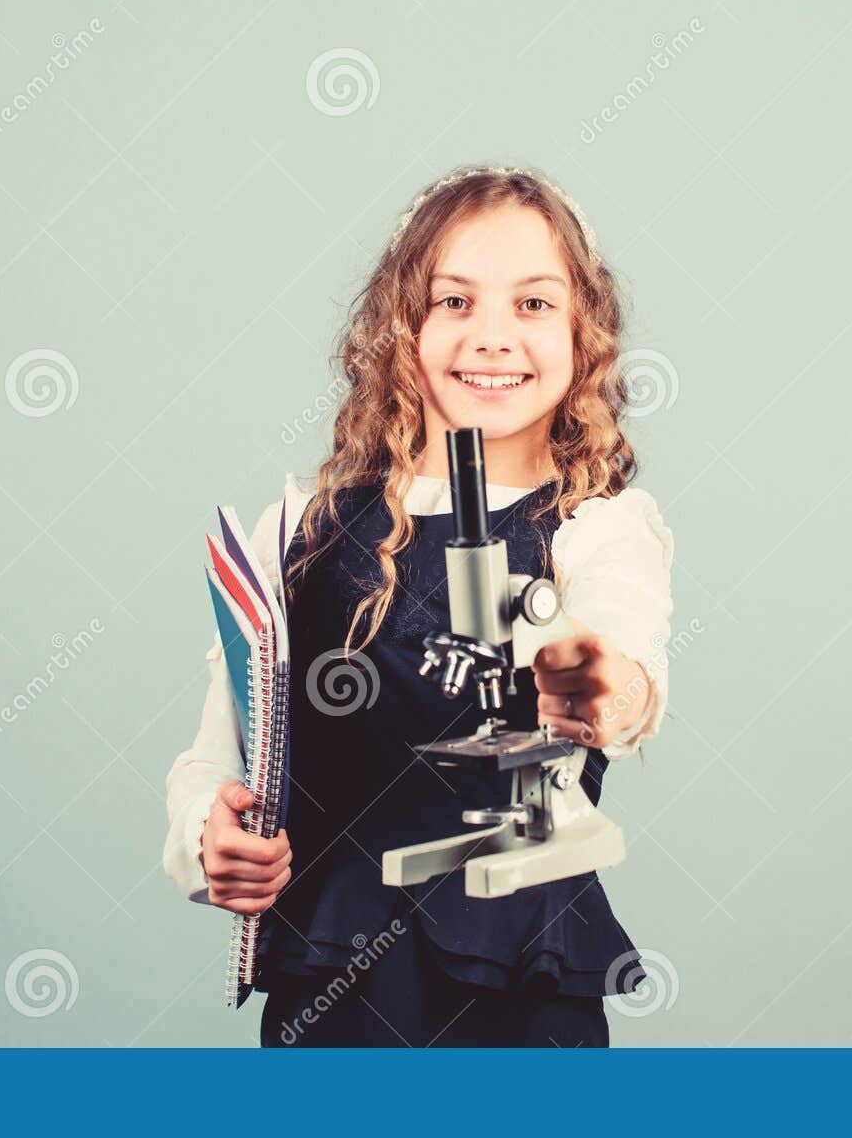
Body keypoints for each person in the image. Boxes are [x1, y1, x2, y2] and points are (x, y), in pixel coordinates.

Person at [161, 165, 675, 1046]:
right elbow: (220, 754)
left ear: (584, 331)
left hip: (518, 978)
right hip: (335, 983)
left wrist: (597, 684)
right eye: (454, 301)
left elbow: (630, 674)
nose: (493, 337)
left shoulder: (601, 529)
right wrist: (209, 835)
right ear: (405, 325)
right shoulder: (297, 529)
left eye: (534, 304)